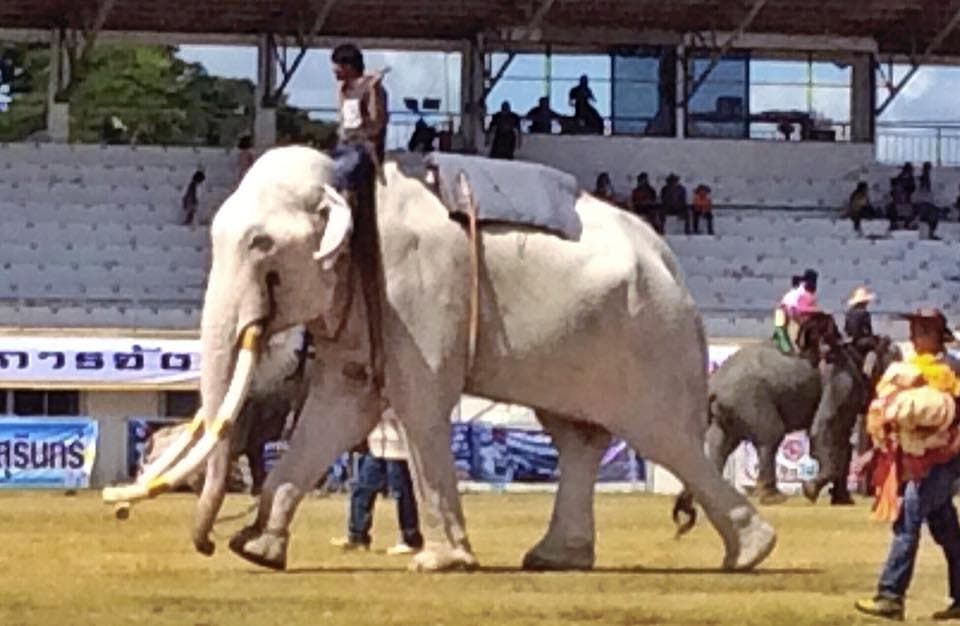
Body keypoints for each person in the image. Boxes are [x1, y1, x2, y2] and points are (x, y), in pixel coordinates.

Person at [855, 309, 960, 621]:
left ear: (933, 334)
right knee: (947, 531)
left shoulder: (951, 371)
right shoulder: (909, 368)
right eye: (913, 330)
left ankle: (890, 595)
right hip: (918, 459)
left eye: (919, 330)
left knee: (907, 523)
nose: (913, 336)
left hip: (942, 460)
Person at [330, 43, 389, 391]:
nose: (335, 72)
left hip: (362, 150)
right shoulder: (344, 89)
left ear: (349, 65)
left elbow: (377, 123)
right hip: (343, 144)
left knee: (344, 173)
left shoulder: (371, 87)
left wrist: (375, 93)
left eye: (338, 66)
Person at [331, 410, 424, 554]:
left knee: (403, 493)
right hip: (376, 447)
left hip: (399, 449)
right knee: (362, 489)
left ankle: (410, 539)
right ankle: (357, 537)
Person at [844, 286, 875, 352]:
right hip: (860, 341)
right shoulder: (864, 313)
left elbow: (846, 329)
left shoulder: (849, 313)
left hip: (851, 340)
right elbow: (868, 330)